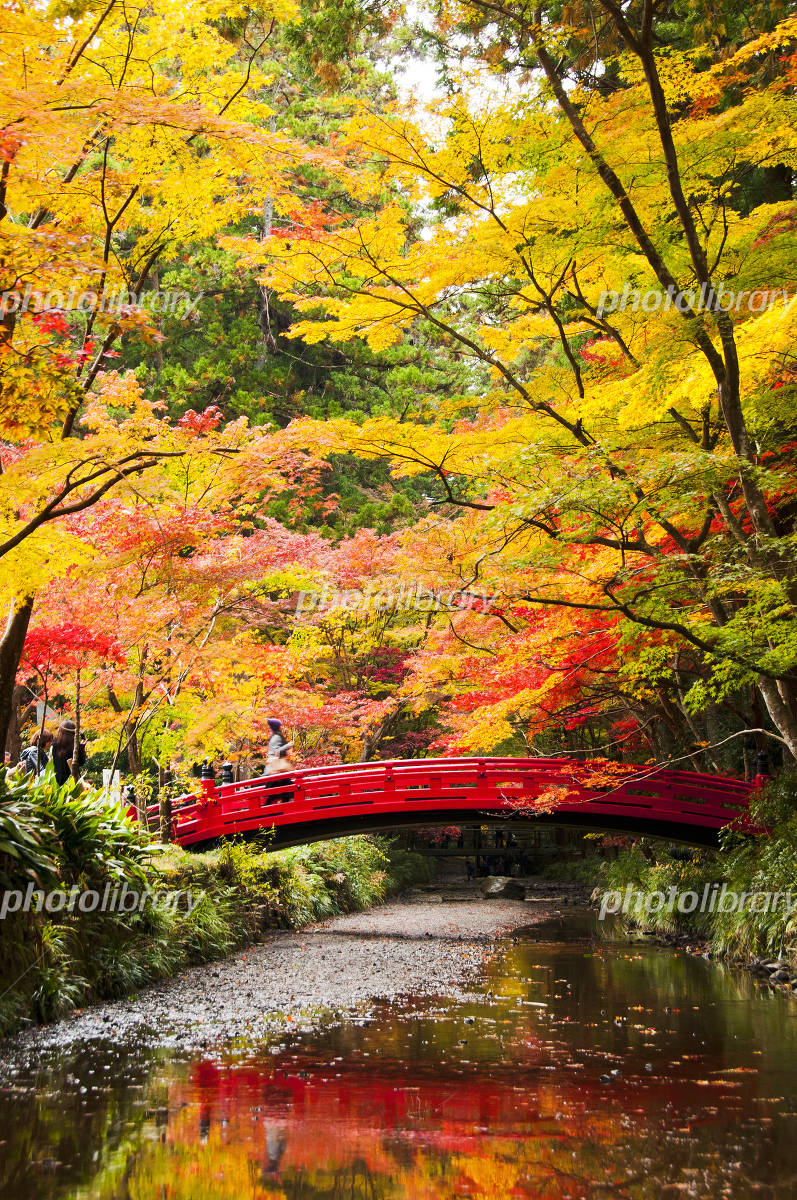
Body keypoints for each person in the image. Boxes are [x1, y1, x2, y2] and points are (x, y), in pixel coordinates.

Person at [264, 717, 294, 804]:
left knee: (283, 792)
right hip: (277, 770)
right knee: (288, 790)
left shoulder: (274, 737)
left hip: (274, 770)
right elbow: (277, 751)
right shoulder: (277, 737)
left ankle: (271, 810)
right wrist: (287, 746)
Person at [51, 720, 86, 786]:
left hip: (58, 779)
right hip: (73, 780)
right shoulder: (74, 746)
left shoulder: (55, 744)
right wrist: (82, 748)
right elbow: (81, 762)